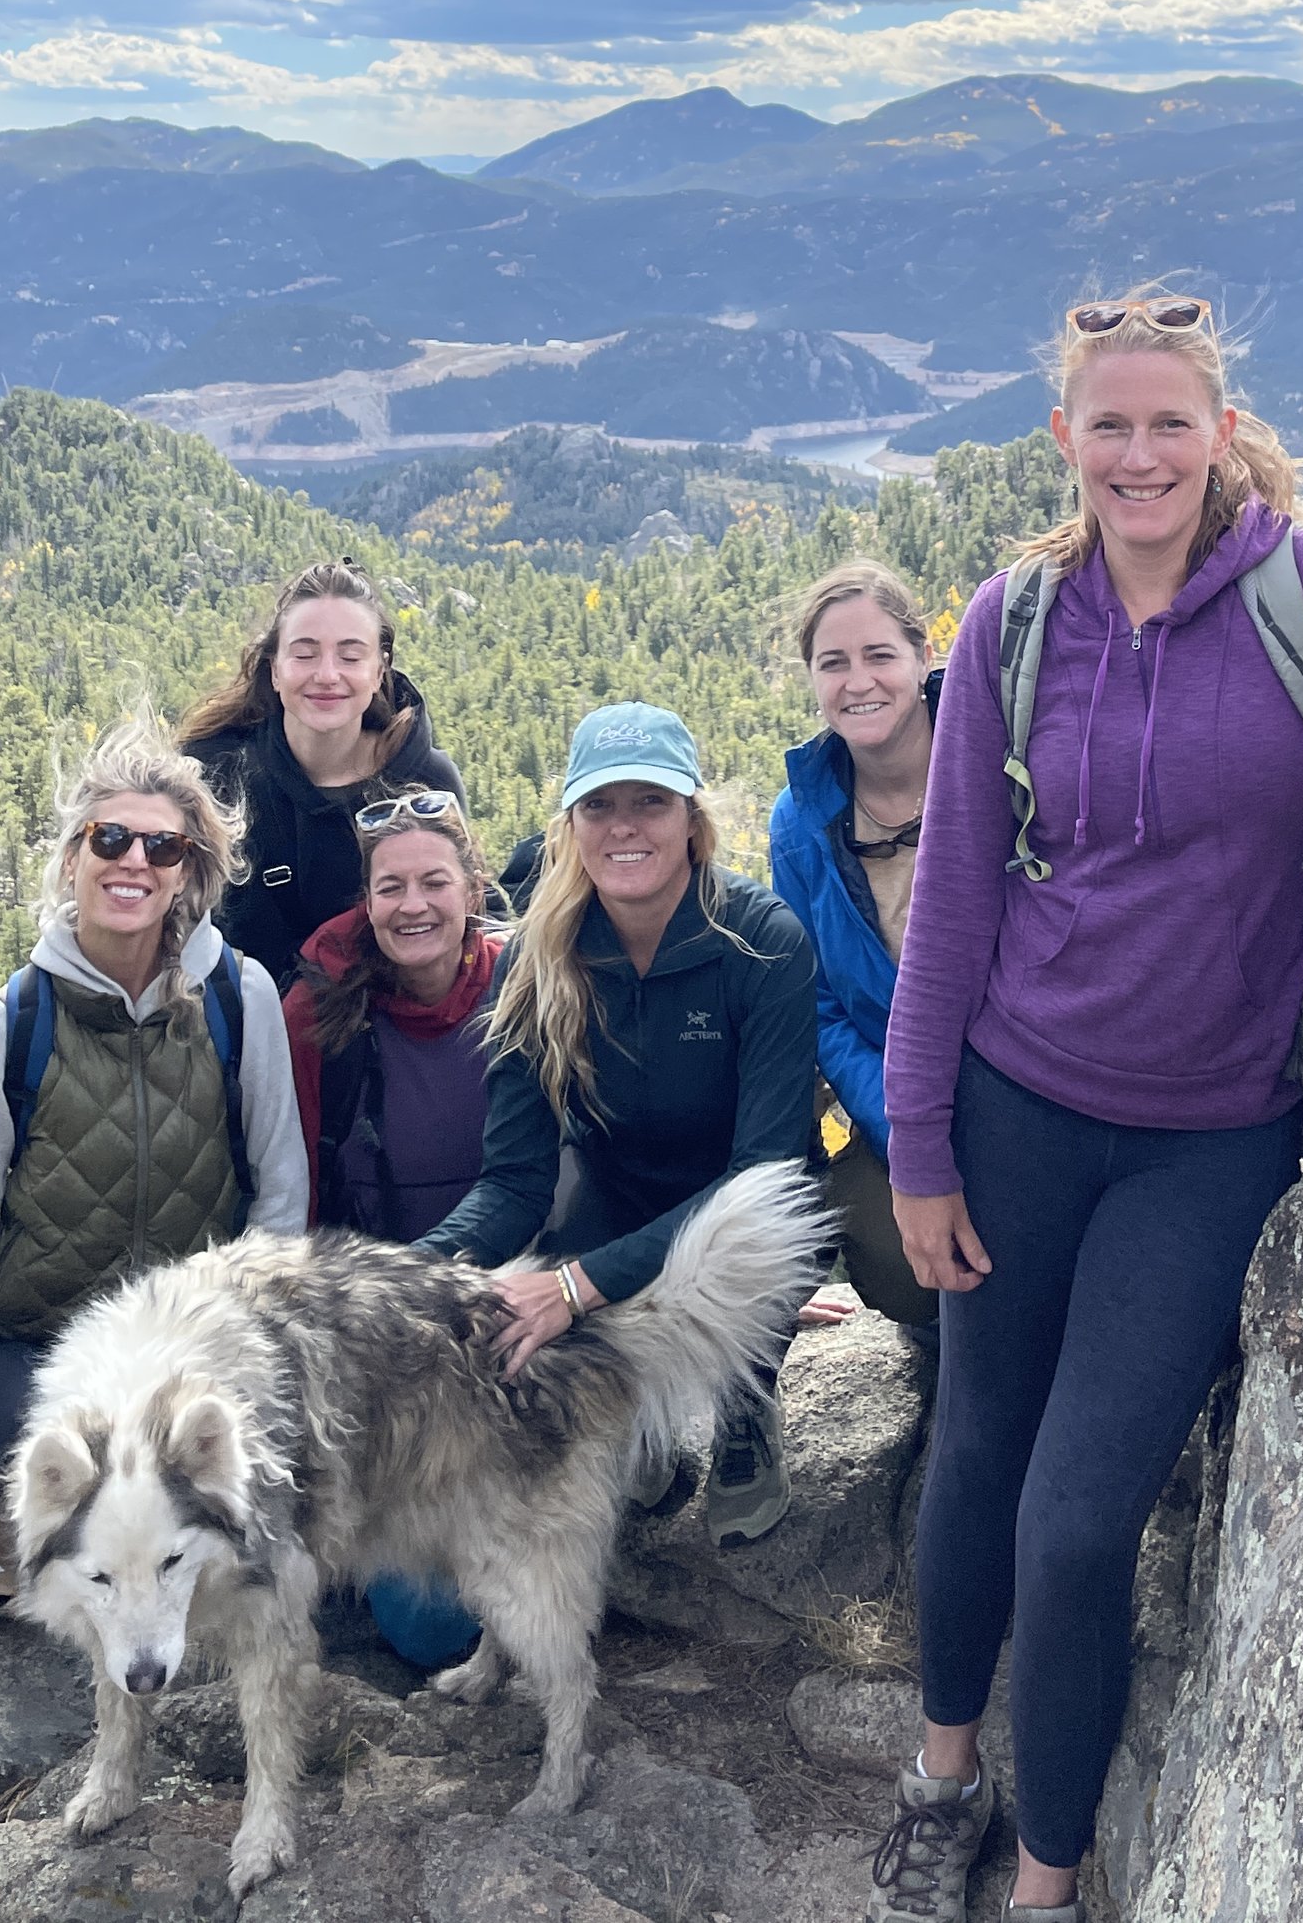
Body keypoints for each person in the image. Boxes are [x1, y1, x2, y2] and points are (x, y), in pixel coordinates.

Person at [865, 295, 1303, 1923]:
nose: (1139, 454)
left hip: (1204, 1145)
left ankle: (1047, 1878)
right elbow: (958, 907)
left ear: (1216, 429)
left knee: (1073, 1525)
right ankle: (938, 1774)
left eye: (1167, 424)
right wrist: (921, 1146)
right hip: (1014, 1108)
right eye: (1108, 425)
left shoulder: (1300, 589)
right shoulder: (1012, 618)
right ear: (1067, 438)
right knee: (976, 1452)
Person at [0, 712, 308, 1602]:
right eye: (111, 837)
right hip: (32, 1355)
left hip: (187, 1359)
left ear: (188, 877)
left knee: (163, 1445)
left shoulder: (239, 1001)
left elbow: (278, 1209)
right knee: (37, 1427)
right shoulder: (11, 1031)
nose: (135, 860)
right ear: (72, 858)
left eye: (163, 848)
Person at [418, 702, 819, 1549]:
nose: (624, 827)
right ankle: (638, 1409)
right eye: (600, 805)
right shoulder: (539, 957)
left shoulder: (761, 943)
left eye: (651, 802)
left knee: (751, 1231)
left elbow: (766, 1171)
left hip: (746, 1216)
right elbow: (516, 1180)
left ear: (692, 819)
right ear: (570, 824)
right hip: (620, 1202)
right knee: (557, 1281)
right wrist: (411, 1278)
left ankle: (746, 1396)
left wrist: (573, 1289)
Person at [283, 788, 508, 1671]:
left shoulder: (534, 987)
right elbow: (293, 1197)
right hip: (382, 1346)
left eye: (434, 881)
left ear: (472, 889)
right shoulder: (320, 1024)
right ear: (365, 902)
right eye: (390, 887)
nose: (413, 904)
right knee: (431, 1631)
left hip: (518, 1317)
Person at [769, 560, 941, 1332]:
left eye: (879, 655)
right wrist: (902, 1128)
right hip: (896, 1102)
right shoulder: (801, 821)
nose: (858, 681)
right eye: (832, 663)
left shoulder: (994, 766)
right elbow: (824, 1008)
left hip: (1027, 1086)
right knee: (900, 1262)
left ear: (923, 656)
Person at [183, 559, 467, 987]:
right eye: (305, 654)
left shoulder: (426, 782)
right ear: (275, 668)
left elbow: (469, 918)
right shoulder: (213, 775)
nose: (328, 674)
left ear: (379, 669)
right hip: (238, 1036)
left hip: (388, 1039)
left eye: (350, 655)